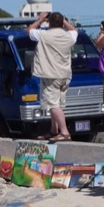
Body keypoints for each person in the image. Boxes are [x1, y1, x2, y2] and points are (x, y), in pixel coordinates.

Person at [27, 11, 78, 141]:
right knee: (58, 104)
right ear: (62, 23)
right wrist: (65, 21)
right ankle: (53, 130)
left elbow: (29, 30)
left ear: (49, 22)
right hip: (65, 74)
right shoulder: (69, 36)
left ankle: (64, 132)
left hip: (50, 74)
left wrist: (39, 20)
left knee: (53, 105)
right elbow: (74, 30)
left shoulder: (43, 35)